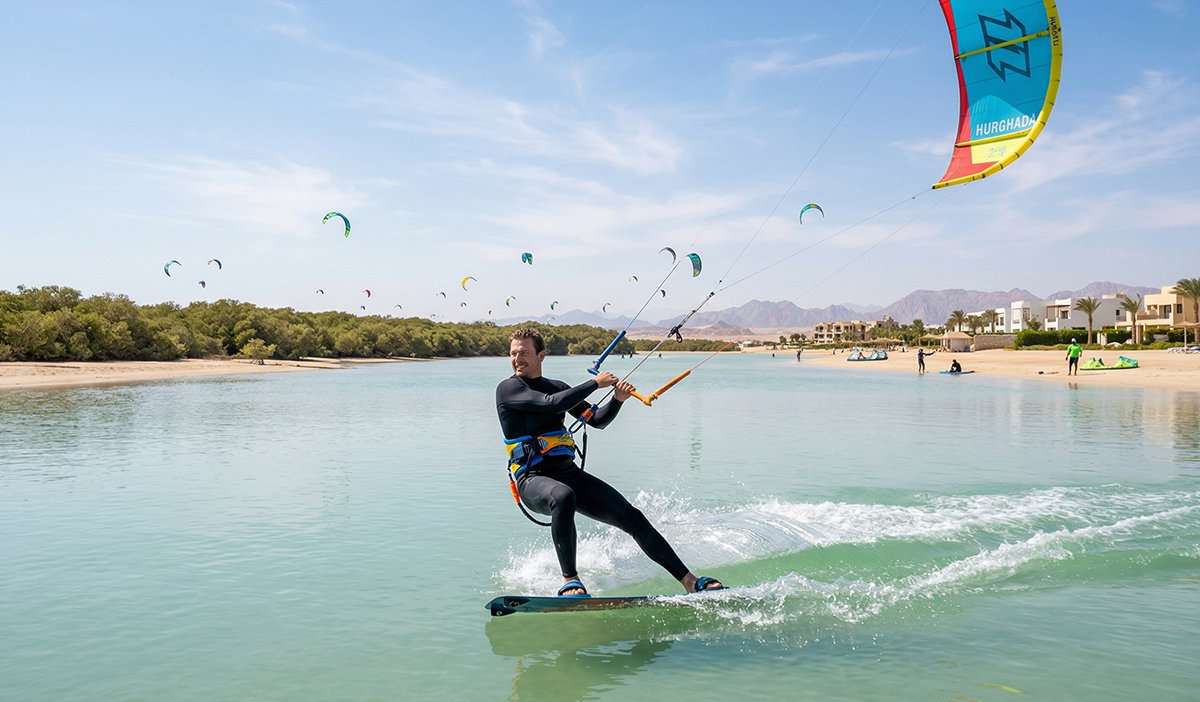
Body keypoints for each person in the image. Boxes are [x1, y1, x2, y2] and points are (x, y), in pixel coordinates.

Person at [496, 328, 723, 598]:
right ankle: (571, 580)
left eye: (524, 353)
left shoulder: (558, 387)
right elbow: (549, 404)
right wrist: (594, 383)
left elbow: (596, 420)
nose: (517, 359)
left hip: (568, 474)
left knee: (632, 517)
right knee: (563, 495)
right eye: (513, 353)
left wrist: (617, 400)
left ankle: (689, 581)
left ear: (541, 355)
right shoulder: (508, 388)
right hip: (533, 480)